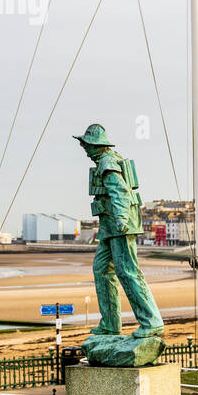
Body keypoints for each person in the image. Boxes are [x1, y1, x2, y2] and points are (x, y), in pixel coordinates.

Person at [74, 123, 164, 339]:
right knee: (102, 269)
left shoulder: (107, 162)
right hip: (109, 226)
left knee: (127, 271)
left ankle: (152, 321)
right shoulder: (106, 160)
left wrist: (122, 218)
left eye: (86, 144)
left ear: (96, 145)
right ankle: (111, 324)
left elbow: (120, 192)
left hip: (119, 224)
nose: (84, 149)